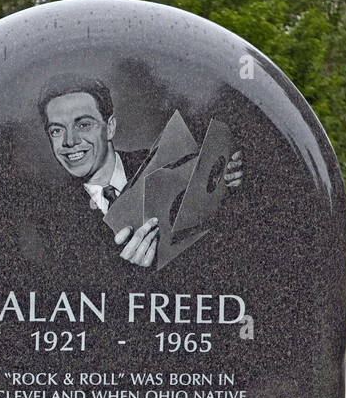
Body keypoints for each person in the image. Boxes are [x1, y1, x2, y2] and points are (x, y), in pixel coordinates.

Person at [38, 76, 242, 268]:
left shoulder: (165, 160)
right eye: (56, 130)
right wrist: (123, 270)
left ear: (110, 128)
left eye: (83, 125)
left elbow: (218, 238)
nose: (69, 141)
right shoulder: (49, 213)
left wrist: (231, 184)